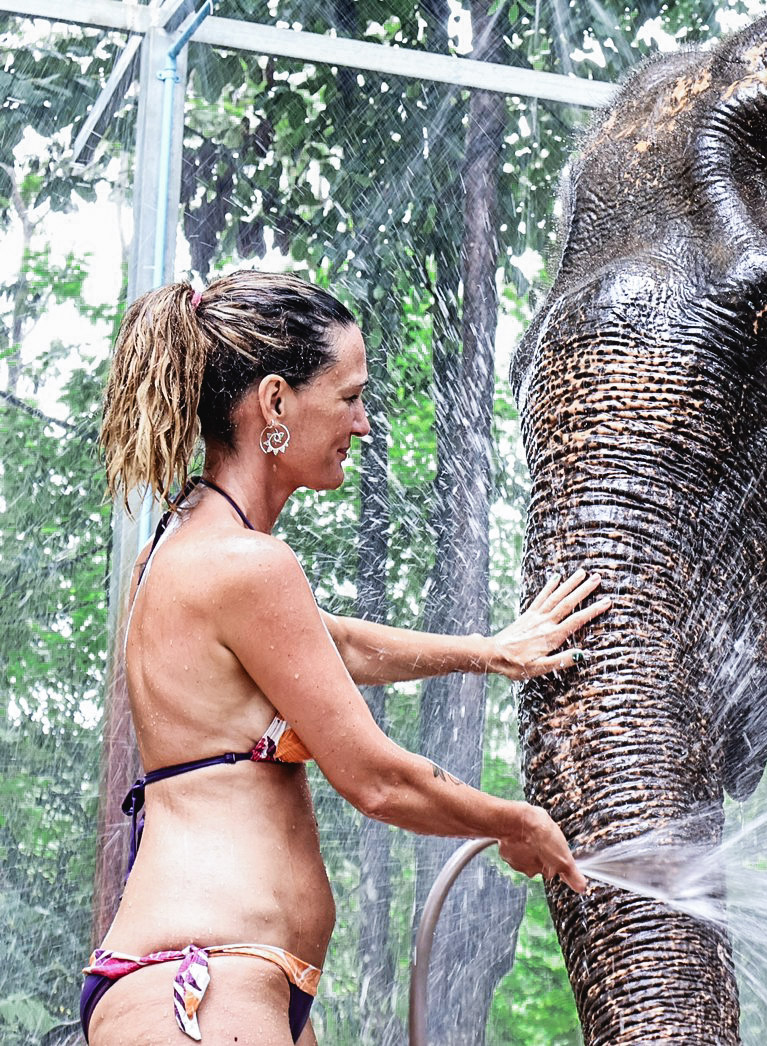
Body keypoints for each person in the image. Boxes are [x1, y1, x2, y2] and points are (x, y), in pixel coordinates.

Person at [84, 270, 604, 1045]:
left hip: (226, 984)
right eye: (350, 396)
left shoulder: (190, 544)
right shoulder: (249, 567)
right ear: (275, 403)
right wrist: (514, 821)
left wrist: (490, 652)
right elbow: (378, 782)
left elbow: (336, 644)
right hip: (201, 986)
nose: (363, 424)